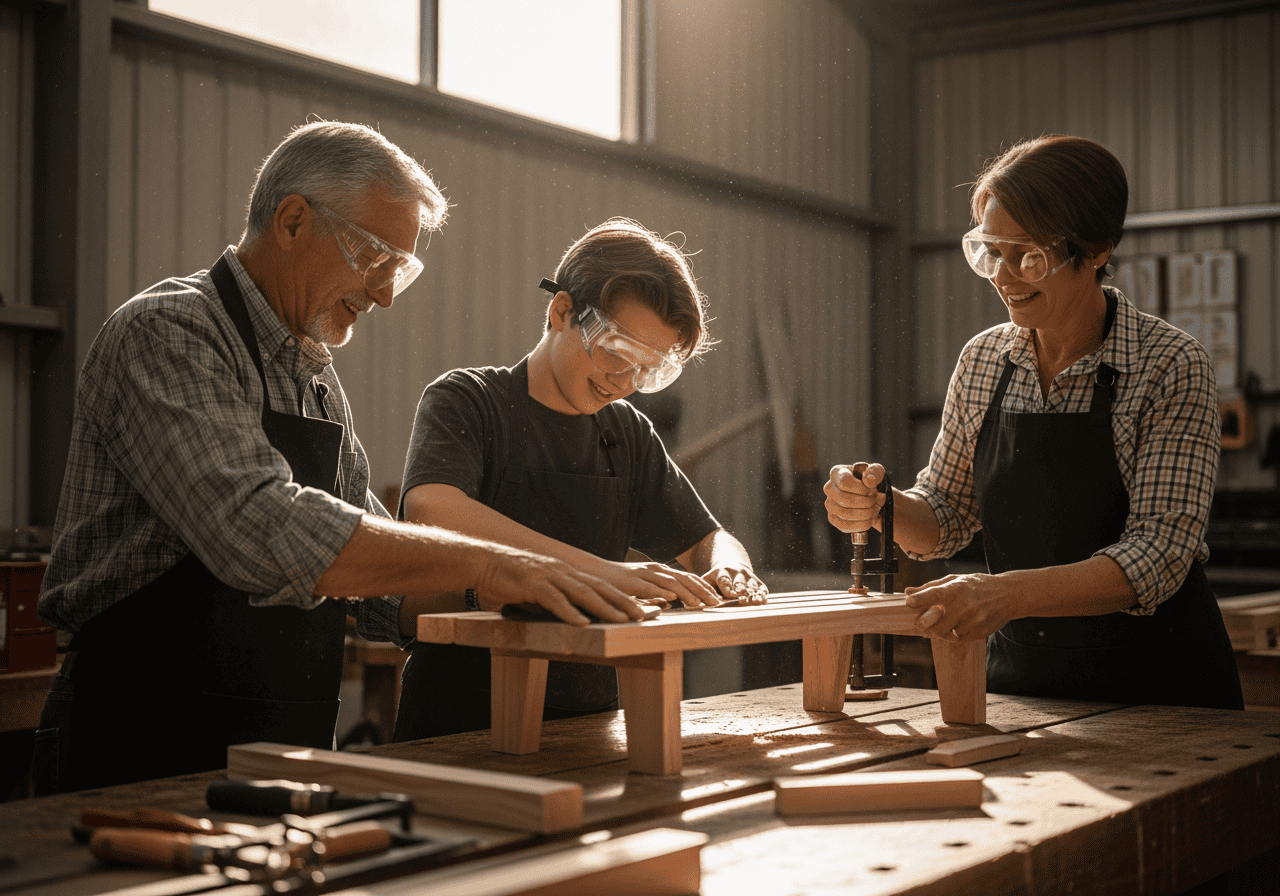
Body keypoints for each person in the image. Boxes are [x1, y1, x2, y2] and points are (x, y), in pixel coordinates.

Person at [32, 122, 661, 795]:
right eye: (375, 257)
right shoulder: (168, 334)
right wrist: (492, 562)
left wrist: (525, 597)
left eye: (400, 269)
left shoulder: (317, 382)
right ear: (294, 221)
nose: (385, 294)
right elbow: (261, 529)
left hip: (279, 762)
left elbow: (380, 589)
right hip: (137, 752)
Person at [824, 135, 1242, 711]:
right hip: (1026, 687)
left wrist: (1002, 596)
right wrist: (881, 505)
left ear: (1095, 249)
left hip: (1161, 688)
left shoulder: (1169, 364)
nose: (1005, 276)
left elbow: (1159, 554)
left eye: (1031, 256)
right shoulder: (984, 360)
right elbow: (944, 515)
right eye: (992, 253)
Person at [393, 218, 768, 740]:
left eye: (649, 369)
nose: (627, 383)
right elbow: (433, 509)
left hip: (590, 726)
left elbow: (707, 537)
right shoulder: (468, 400)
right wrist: (599, 575)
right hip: (460, 722)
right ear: (562, 311)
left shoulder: (627, 434)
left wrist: (731, 568)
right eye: (616, 352)